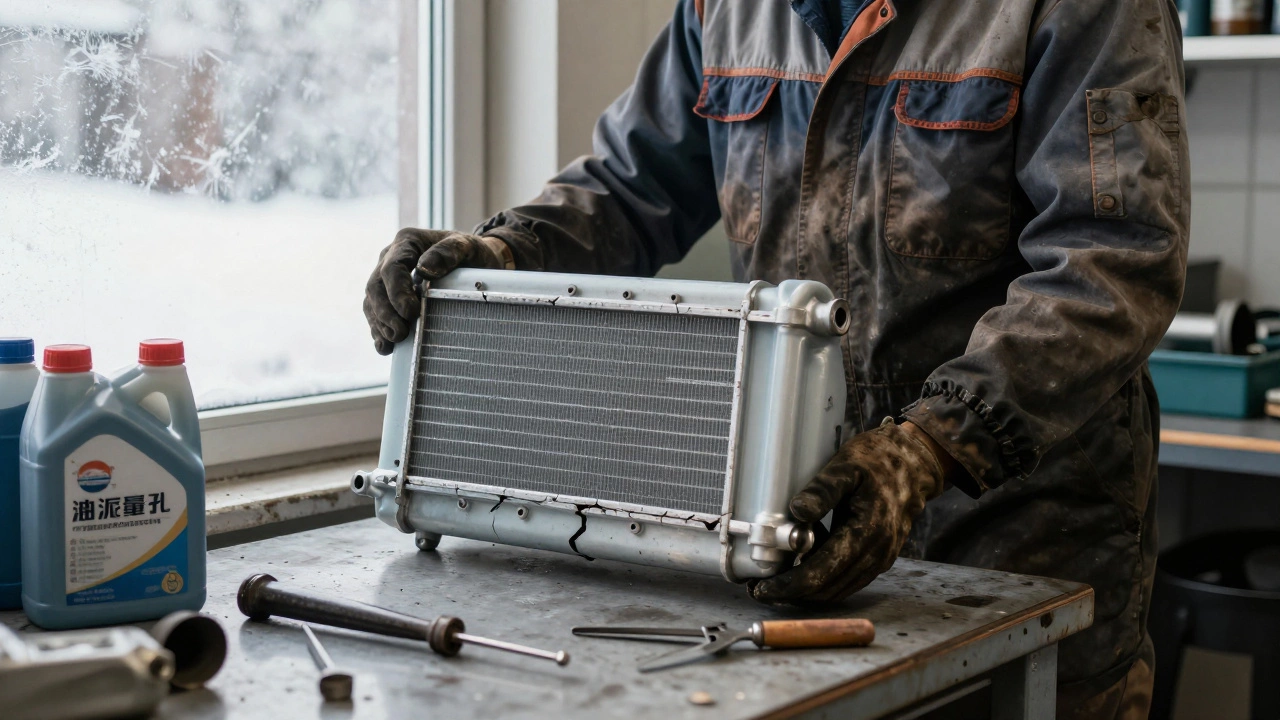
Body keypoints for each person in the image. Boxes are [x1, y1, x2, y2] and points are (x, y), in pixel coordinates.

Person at [364, 1, 1189, 717]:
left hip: (1018, 529)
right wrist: (507, 250)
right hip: (794, 512)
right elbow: (630, 186)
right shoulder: (725, 8)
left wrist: (929, 444)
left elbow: (1112, 259)